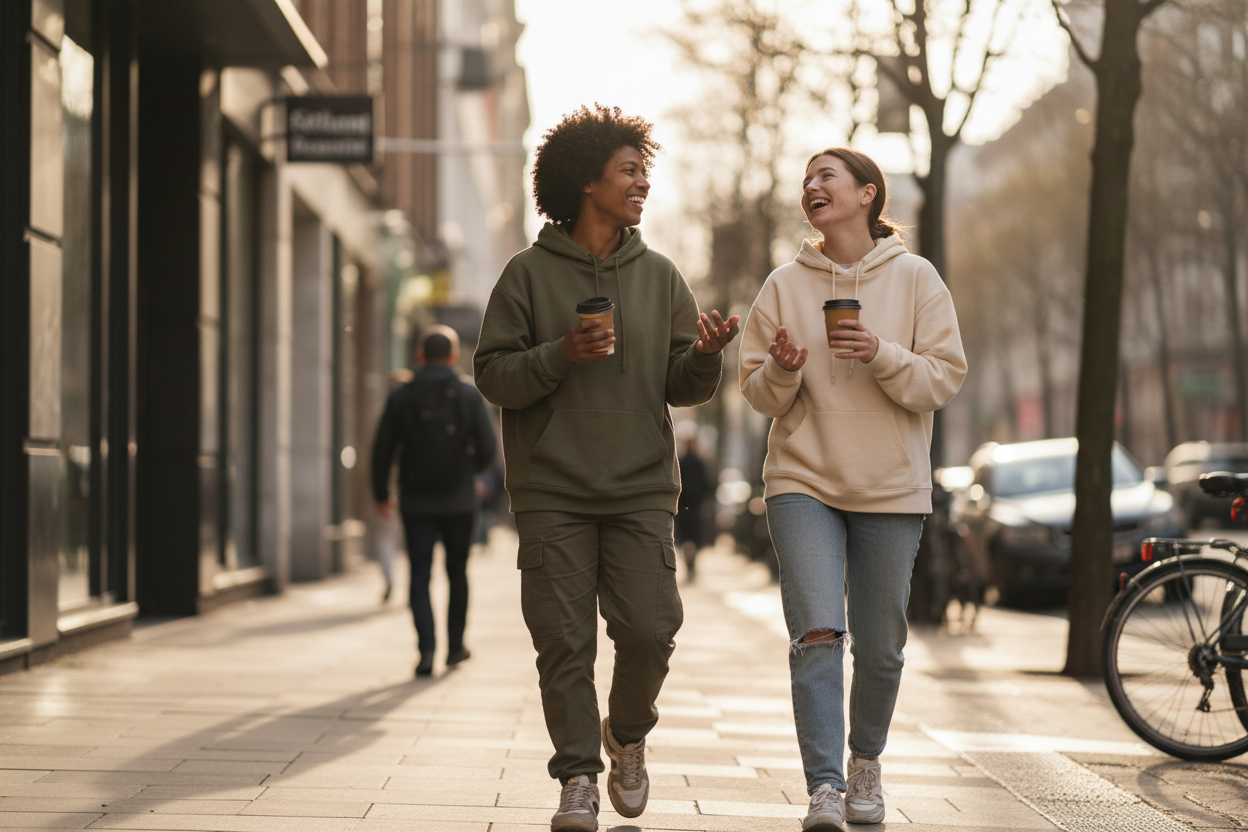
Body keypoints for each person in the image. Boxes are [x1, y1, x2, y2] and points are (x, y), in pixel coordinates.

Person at [473, 104, 739, 832]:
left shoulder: (661, 276)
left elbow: (681, 385)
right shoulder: (526, 275)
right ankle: (578, 778)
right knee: (563, 642)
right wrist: (561, 353)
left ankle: (625, 734)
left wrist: (705, 356)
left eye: (644, 171)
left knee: (652, 629)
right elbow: (493, 375)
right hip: (552, 488)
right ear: (586, 181)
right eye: (629, 170)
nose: (642, 182)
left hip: (640, 485)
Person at [738, 147, 966, 831]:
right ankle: (826, 787)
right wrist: (782, 370)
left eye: (826, 176)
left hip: (891, 487)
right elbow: (757, 392)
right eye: (807, 179)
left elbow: (945, 377)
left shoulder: (916, 277)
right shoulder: (784, 284)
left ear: (867, 194)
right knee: (816, 633)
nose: (812, 186)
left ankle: (866, 759)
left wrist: (881, 353)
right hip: (802, 478)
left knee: (882, 644)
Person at [371, 325, 497, 678]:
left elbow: (382, 449)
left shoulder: (402, 395)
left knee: (419, 574)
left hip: (416, 501)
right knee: (458, 572)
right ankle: (456, 648)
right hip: (460, 500)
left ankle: (426, 651)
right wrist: (469, 472)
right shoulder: (468, 394)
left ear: (420, 355)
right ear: (454, 356)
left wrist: (381, 493)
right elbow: (488, 447)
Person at [675, 428, 712, 581]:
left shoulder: (687, 462)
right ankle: (690, 566)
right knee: (690, 538)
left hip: (689, 507)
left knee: (689, 539)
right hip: (688, 508)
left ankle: (691, 565)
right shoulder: (689, 462)